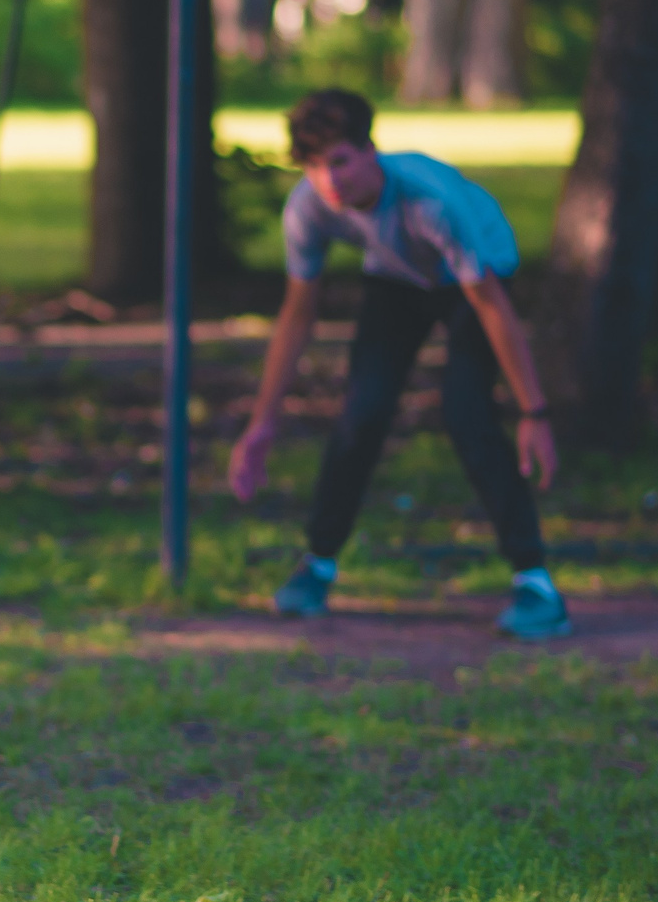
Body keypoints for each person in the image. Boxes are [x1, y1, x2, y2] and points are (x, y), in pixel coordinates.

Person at [227, 87, 570, 640]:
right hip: (398, 277)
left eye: (338, 160)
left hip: (475, 283)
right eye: (313, 165)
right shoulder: (309, 208)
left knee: (467, 415)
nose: (328, 179)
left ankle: (536, 583)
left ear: (370, 151)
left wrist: (535, 413)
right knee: (362, 413)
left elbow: (492, 307)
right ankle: (316, 566)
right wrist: (262, 423)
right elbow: (297, 317)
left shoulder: (429, 203)